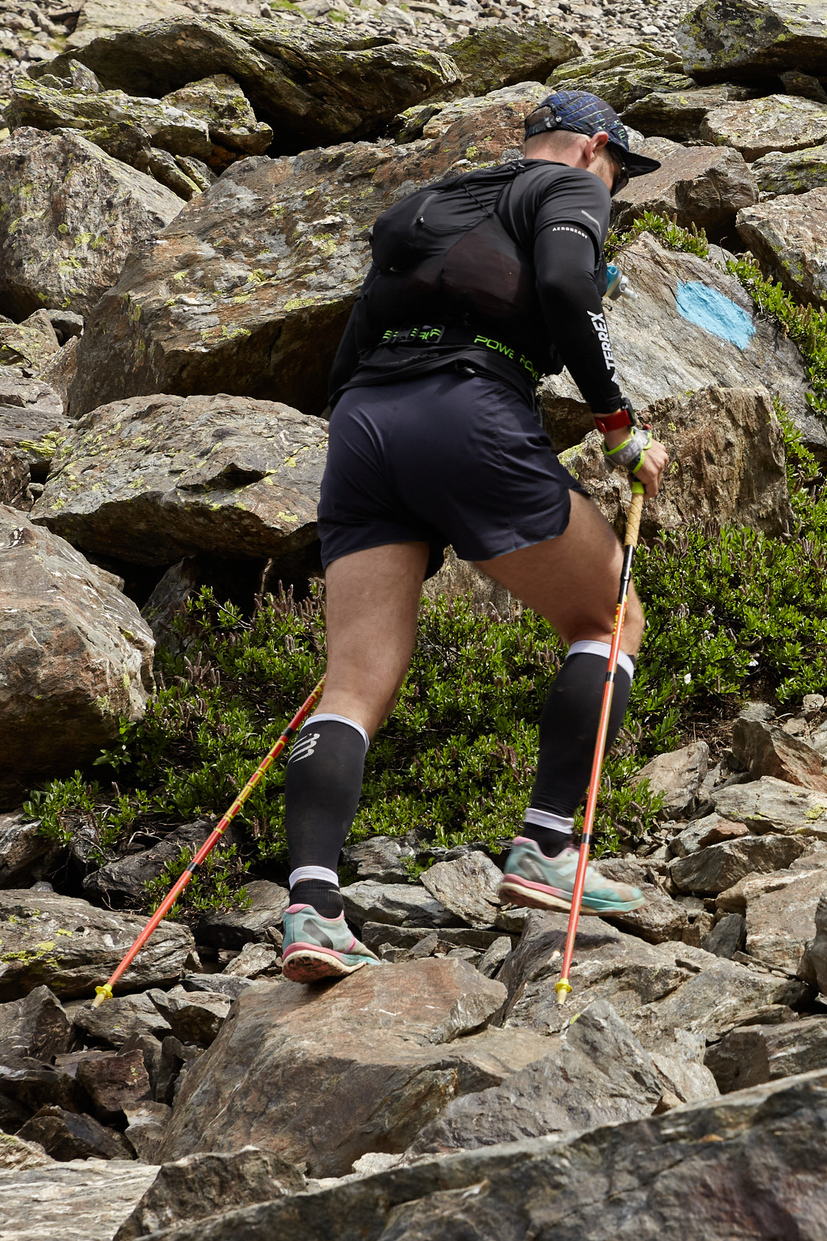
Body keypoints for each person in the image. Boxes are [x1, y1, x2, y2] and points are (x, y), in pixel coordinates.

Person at [276, 90, 672, 984]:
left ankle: (311, 908)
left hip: (365, 425)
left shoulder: (433, 200)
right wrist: (618, 425)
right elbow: (570, 287)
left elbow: (355, 336)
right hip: (468, 407)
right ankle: (544, 846)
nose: (615, 188)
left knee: (352, 681)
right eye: (617, 171)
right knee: (609, 619)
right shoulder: (570, 188)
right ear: (594, 148)